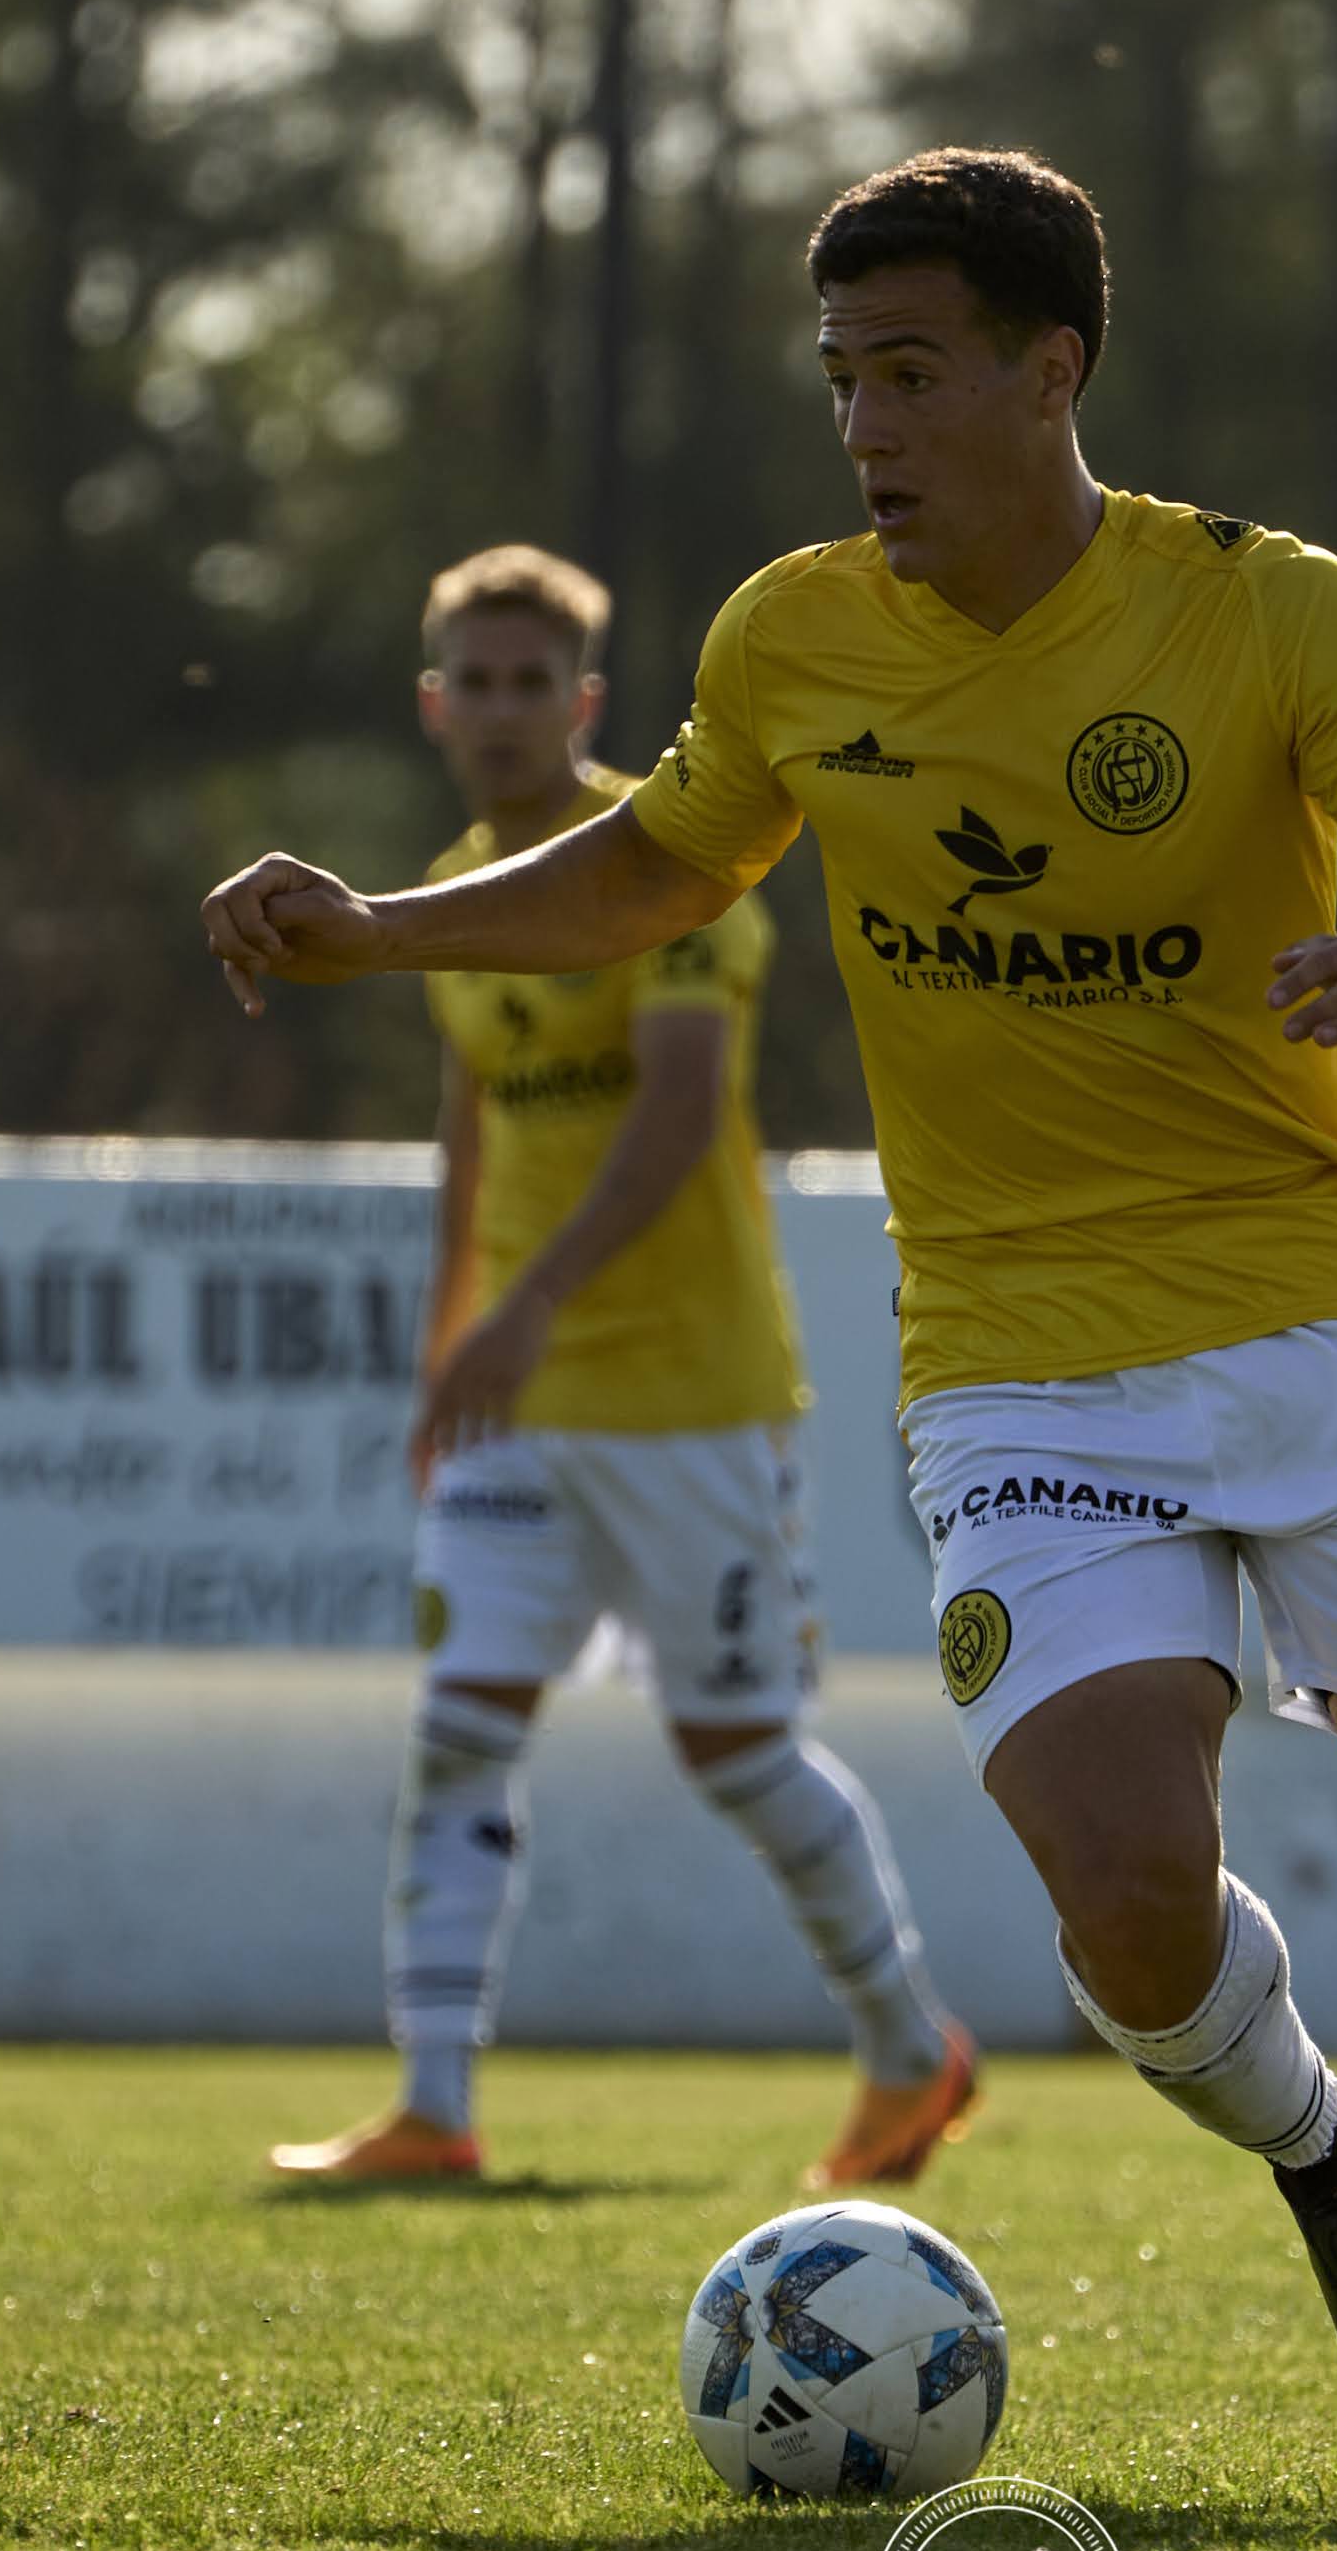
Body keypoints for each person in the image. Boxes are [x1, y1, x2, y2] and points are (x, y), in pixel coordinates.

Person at [207, 154, 1337, 2524]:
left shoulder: (1267, 611)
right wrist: (377, 926)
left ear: (1045, 368)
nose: (864, 424)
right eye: (838, 379)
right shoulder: (792, 642)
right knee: (1118, 1880)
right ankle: (1324, 2152)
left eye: (910, 372)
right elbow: (662, 863)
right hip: (1017, 1362)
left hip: (1321, 1325)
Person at [263, 541, 979, 2194]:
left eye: (534, 683)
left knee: (734, 1749)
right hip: (519, 1411)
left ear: (583, 703)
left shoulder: (665, 868)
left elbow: (673, 1117)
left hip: (691, 1396)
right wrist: (452, 1337)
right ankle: (433, 2108)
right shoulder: (449, 890)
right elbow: (469, 1134)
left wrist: (520, 1313)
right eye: (475, 682)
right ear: (434, 703)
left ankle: (904, 2046)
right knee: (456, 1731)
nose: (502, 712)